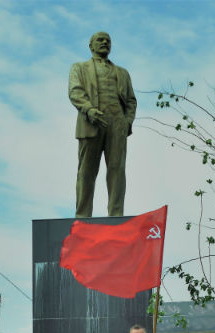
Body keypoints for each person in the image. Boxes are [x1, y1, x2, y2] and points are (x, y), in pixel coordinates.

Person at [69, 31, 137, 218]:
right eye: (100, 40)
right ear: (91, 45)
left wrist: (127, 122)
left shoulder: (123, 73)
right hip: (90, 123)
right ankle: (83, 216)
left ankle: (116, 215)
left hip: (117, 124)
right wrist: (89, 110)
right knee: (86, 172)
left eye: (108, 40)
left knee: (117, 170)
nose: (105, 42)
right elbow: (75, 92)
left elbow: (131, 101)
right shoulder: (79, 68)